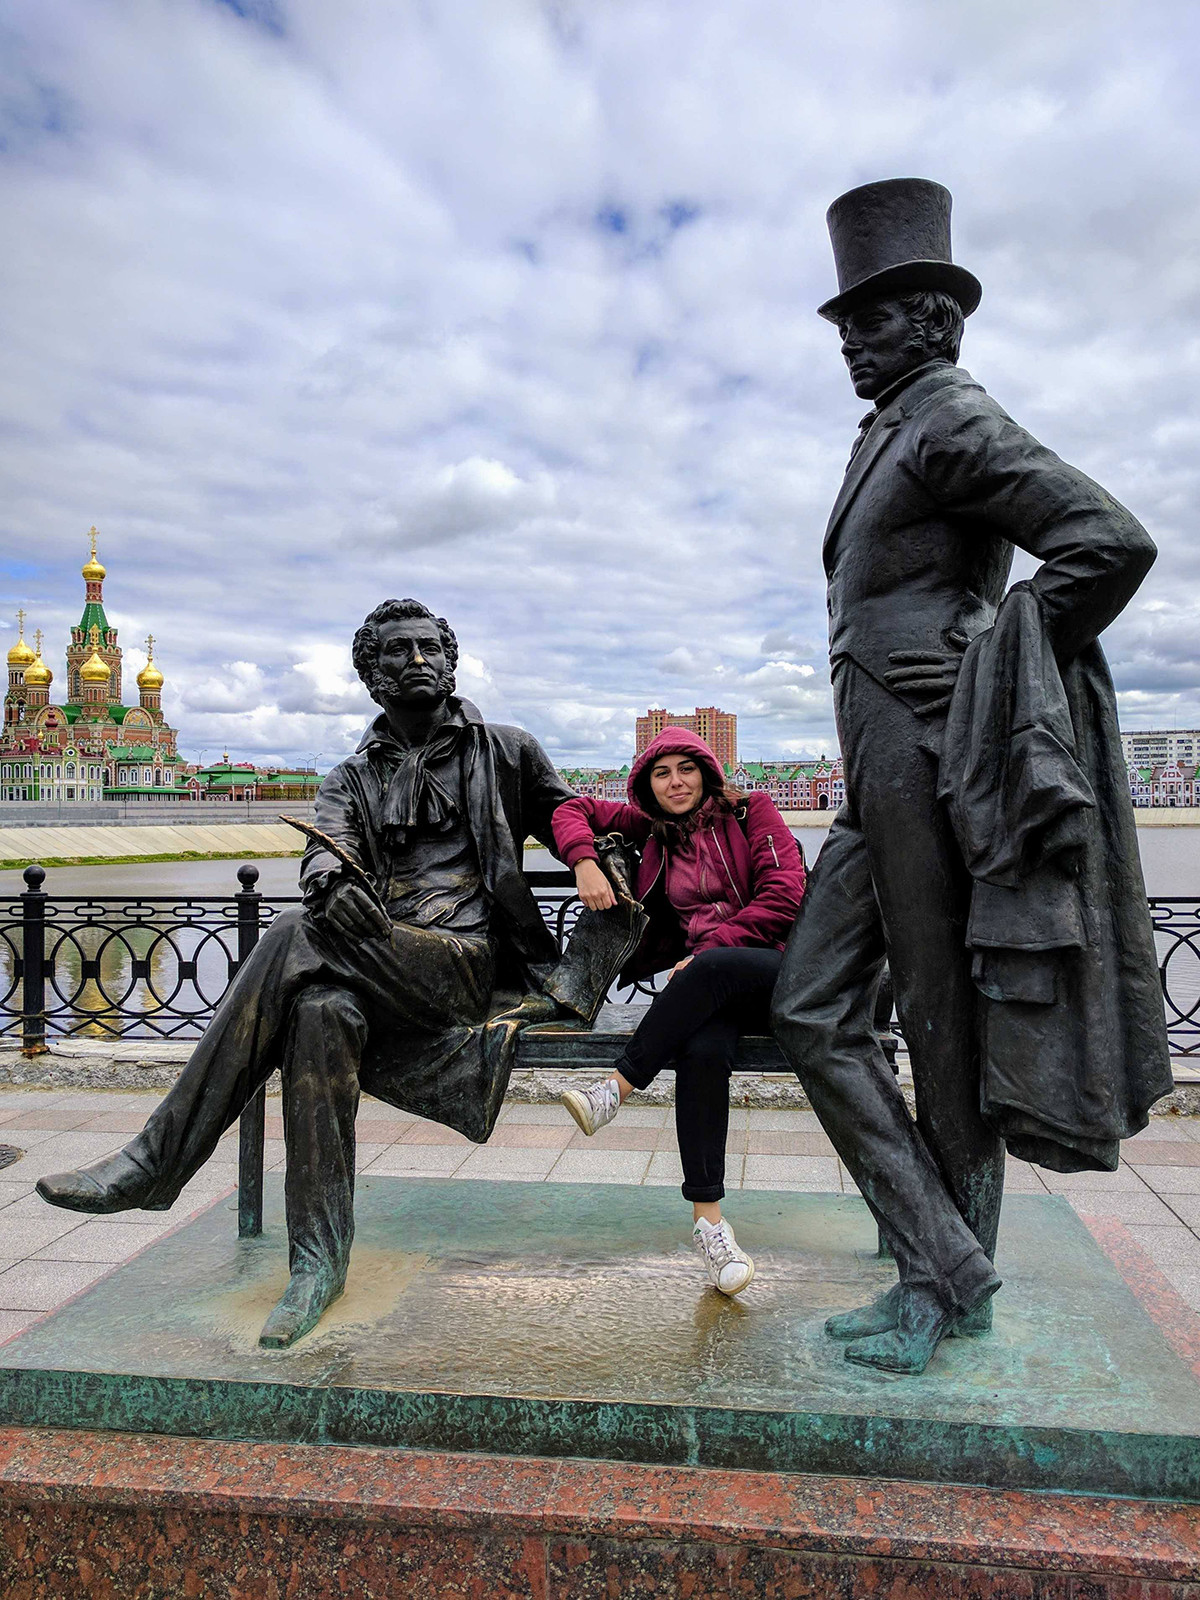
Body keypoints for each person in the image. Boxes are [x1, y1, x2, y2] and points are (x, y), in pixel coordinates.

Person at [770, 178, 1171, 1376]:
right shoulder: (893, 427)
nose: (851, 342)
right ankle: (944, 1256)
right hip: (876, 767)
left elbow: (1110, 538)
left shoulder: (948, 415)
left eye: (873, 320)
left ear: (937, 321)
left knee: (943, 1031)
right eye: (844, 324)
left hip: (935, 755)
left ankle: (939, 1288)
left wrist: (998, 650)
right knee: (812, 1008)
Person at [37, 598, 576, 1348]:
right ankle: (316, 1265)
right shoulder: (348, 778)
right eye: (398, 652)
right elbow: (325, 846)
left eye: (430, 648)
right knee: (321, 1014)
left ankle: (158, 1161)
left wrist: (595, 853)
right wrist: (333, 882)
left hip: (466, 971)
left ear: (452, 663)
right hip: (369, 971)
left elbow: (577, 818)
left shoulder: (507, 751)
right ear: (371, 675)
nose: (418, 660)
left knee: (290, 929)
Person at [551, 728, 806, 1296]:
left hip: (779, 973)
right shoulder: (654, 830)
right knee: (702, 1052)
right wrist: (584, 862)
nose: (675, 782)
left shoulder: (751, 811)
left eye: (686, 769)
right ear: (648, 785)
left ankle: (615, 1089)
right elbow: (571, 809)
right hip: (708, 991)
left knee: (709, 965)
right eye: (661, 773)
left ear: (707, 772)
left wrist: (712, 951)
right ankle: (711, 1230)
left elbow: (787, 893)